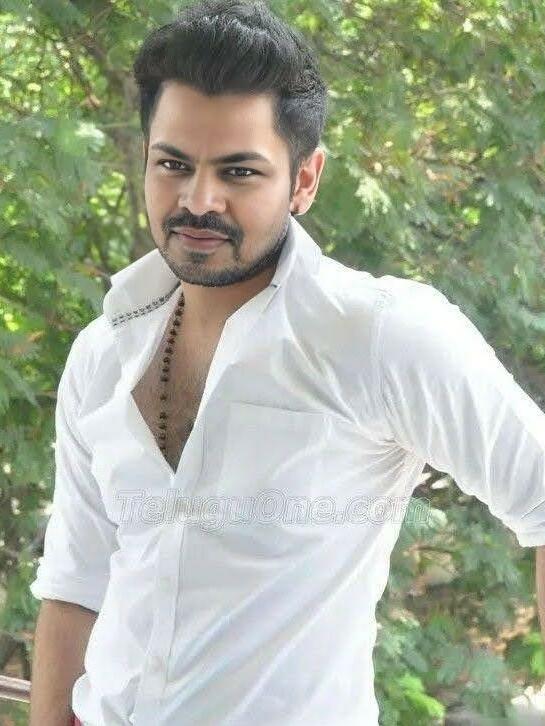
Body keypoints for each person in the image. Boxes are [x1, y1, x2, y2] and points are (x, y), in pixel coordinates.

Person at [28, 1, 545, 724]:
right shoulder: (102, 351)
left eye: (238, 172)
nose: (198, 200)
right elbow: (76, 582)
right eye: (173, 164)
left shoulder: (379, 335)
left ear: (304, 181)